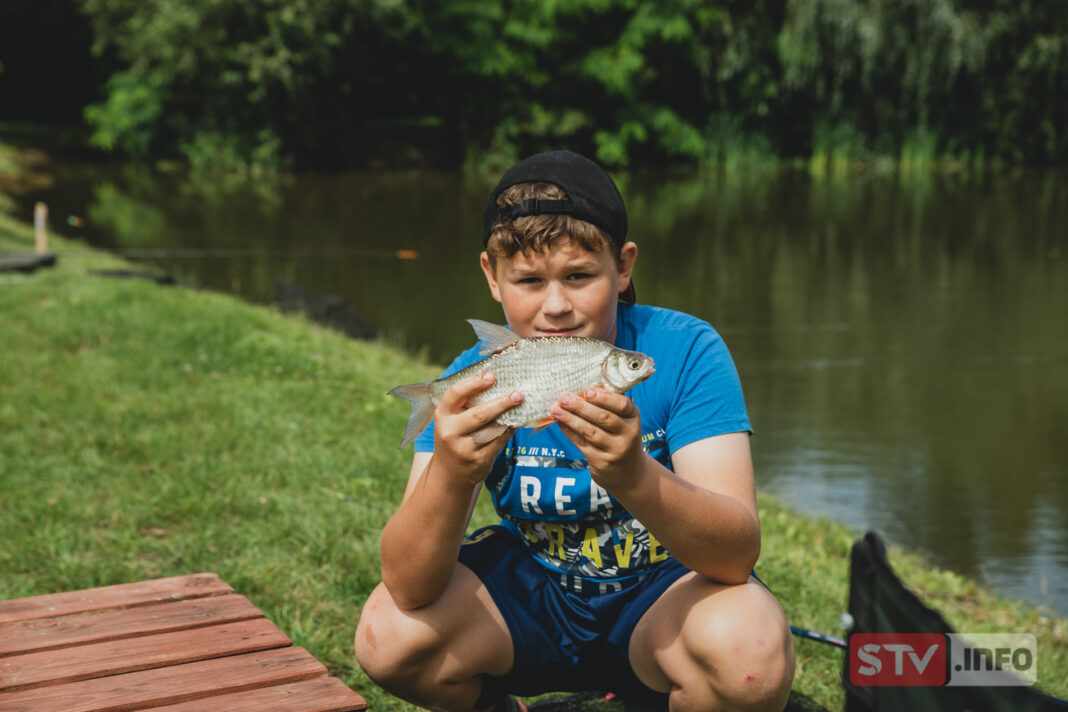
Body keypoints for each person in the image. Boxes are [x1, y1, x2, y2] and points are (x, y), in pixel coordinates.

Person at [355, 149, 795, 712]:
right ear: (492, 277)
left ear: (624, 266)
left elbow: (736, 556)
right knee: (387, 636)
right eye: (529, 280)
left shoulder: (686, 350)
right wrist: (450, 472)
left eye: (580, 276)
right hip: (533, 597)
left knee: (749, 655)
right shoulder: (471, 380)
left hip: (661, 599)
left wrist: (633, 473)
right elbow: (409, 586)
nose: (555, 307)